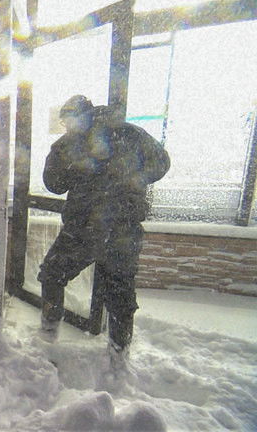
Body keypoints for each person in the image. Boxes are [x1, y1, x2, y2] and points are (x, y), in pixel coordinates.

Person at [37, 95, 170, 360]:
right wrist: (135, 178)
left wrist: (80, 167)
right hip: (117, 228)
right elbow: (162, 161)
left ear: (81, 115)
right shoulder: (129, 133)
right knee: (118, 291)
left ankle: (49, 336)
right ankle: (118, 354)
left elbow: (54, 183)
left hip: (90, 228)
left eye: (68, 120)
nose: (66, 126)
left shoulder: (78, 142)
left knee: (54, 275)